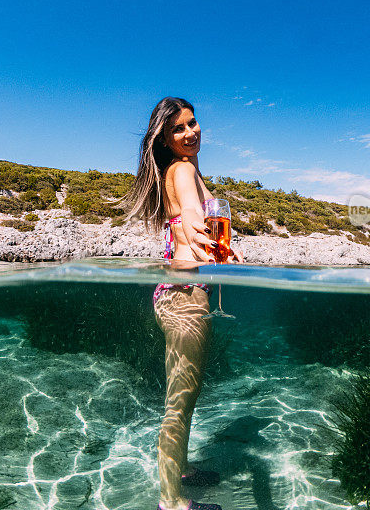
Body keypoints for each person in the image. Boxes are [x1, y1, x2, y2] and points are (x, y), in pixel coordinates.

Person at [120, 97, 241, 510]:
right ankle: (171, 503)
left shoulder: (179, 170)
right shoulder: (184, 169)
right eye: (178, 129)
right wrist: (195, 221)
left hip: (177, 295)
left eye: (193, 123)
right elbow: (190, 212)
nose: (190, 133)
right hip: (185, 300)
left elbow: (191, 225)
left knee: (185, 395)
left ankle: (182, 468)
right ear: (166, 140)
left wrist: (216, 245)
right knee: (180, 402)